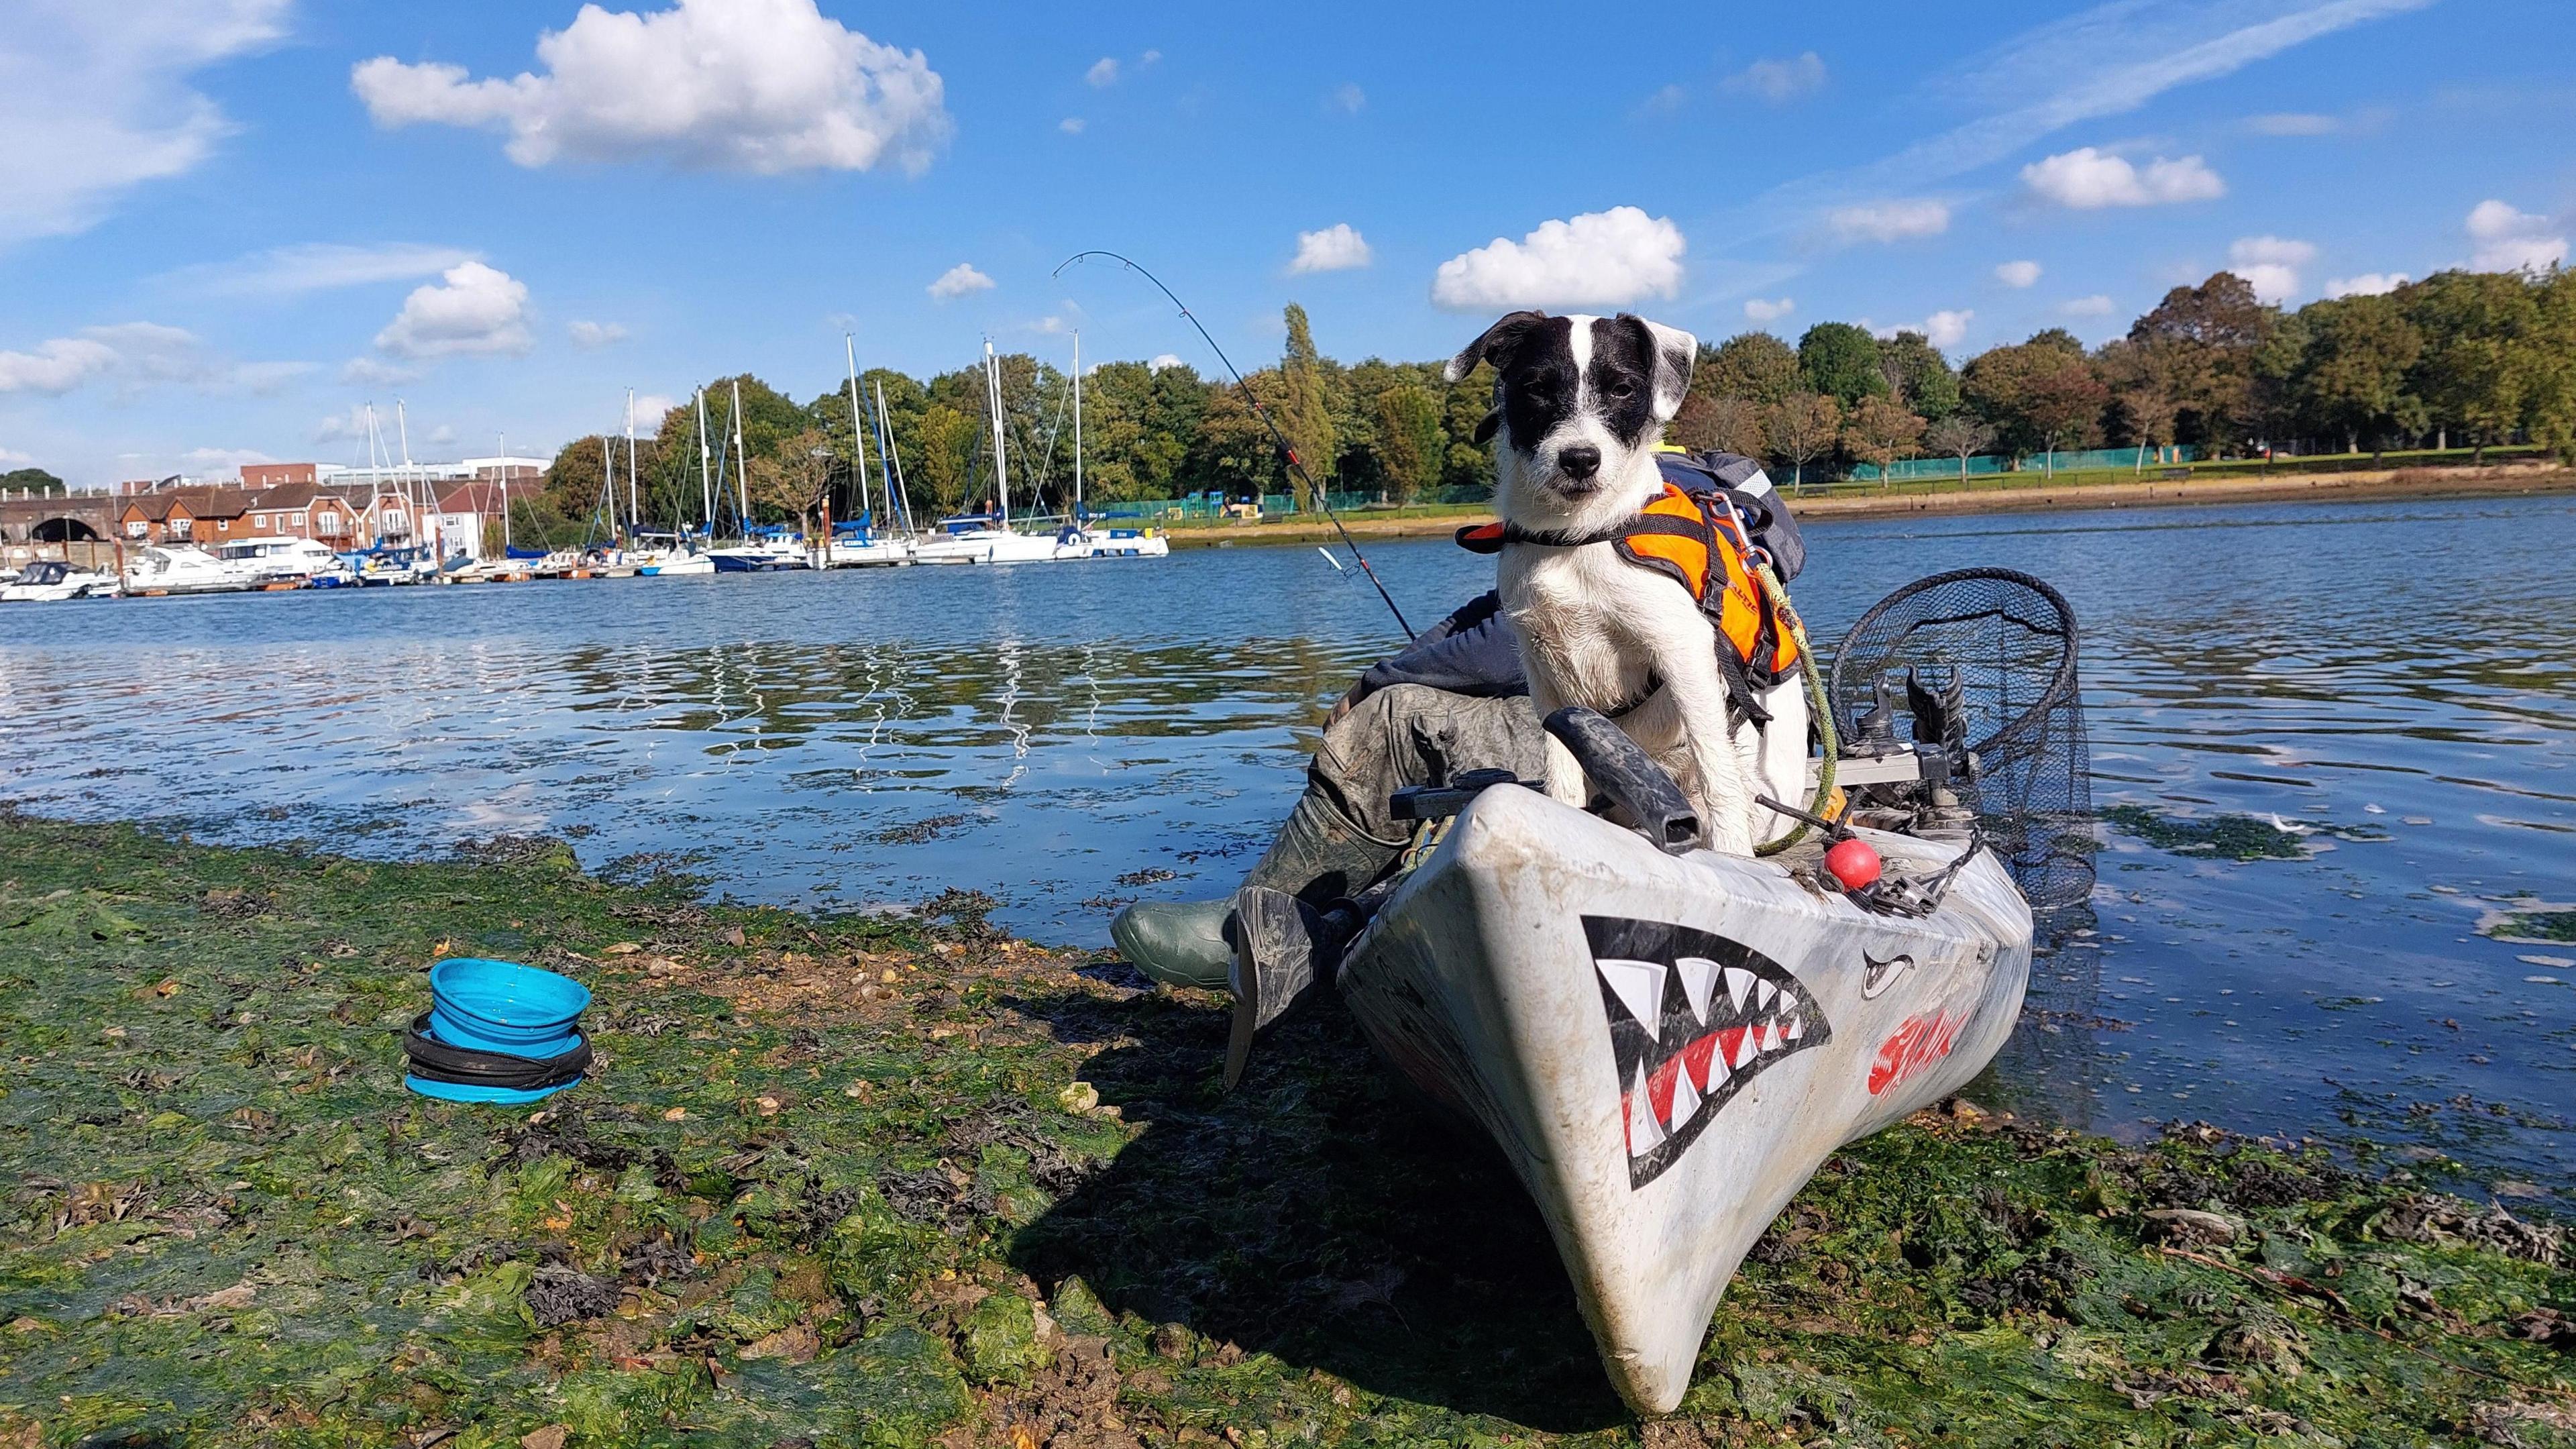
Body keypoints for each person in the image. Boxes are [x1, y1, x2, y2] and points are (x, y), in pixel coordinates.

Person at [1110, 447, 1805, 990]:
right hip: (1727, 741)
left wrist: (1373, 685)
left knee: (1394, 721)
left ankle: (1250, 932)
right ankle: (1343, 914)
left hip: (1690, 767)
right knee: (1445, 707)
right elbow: (1492, 615)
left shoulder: (1611, 510)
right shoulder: (1689, 512)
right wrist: (1397, 663)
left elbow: (1512, 638)